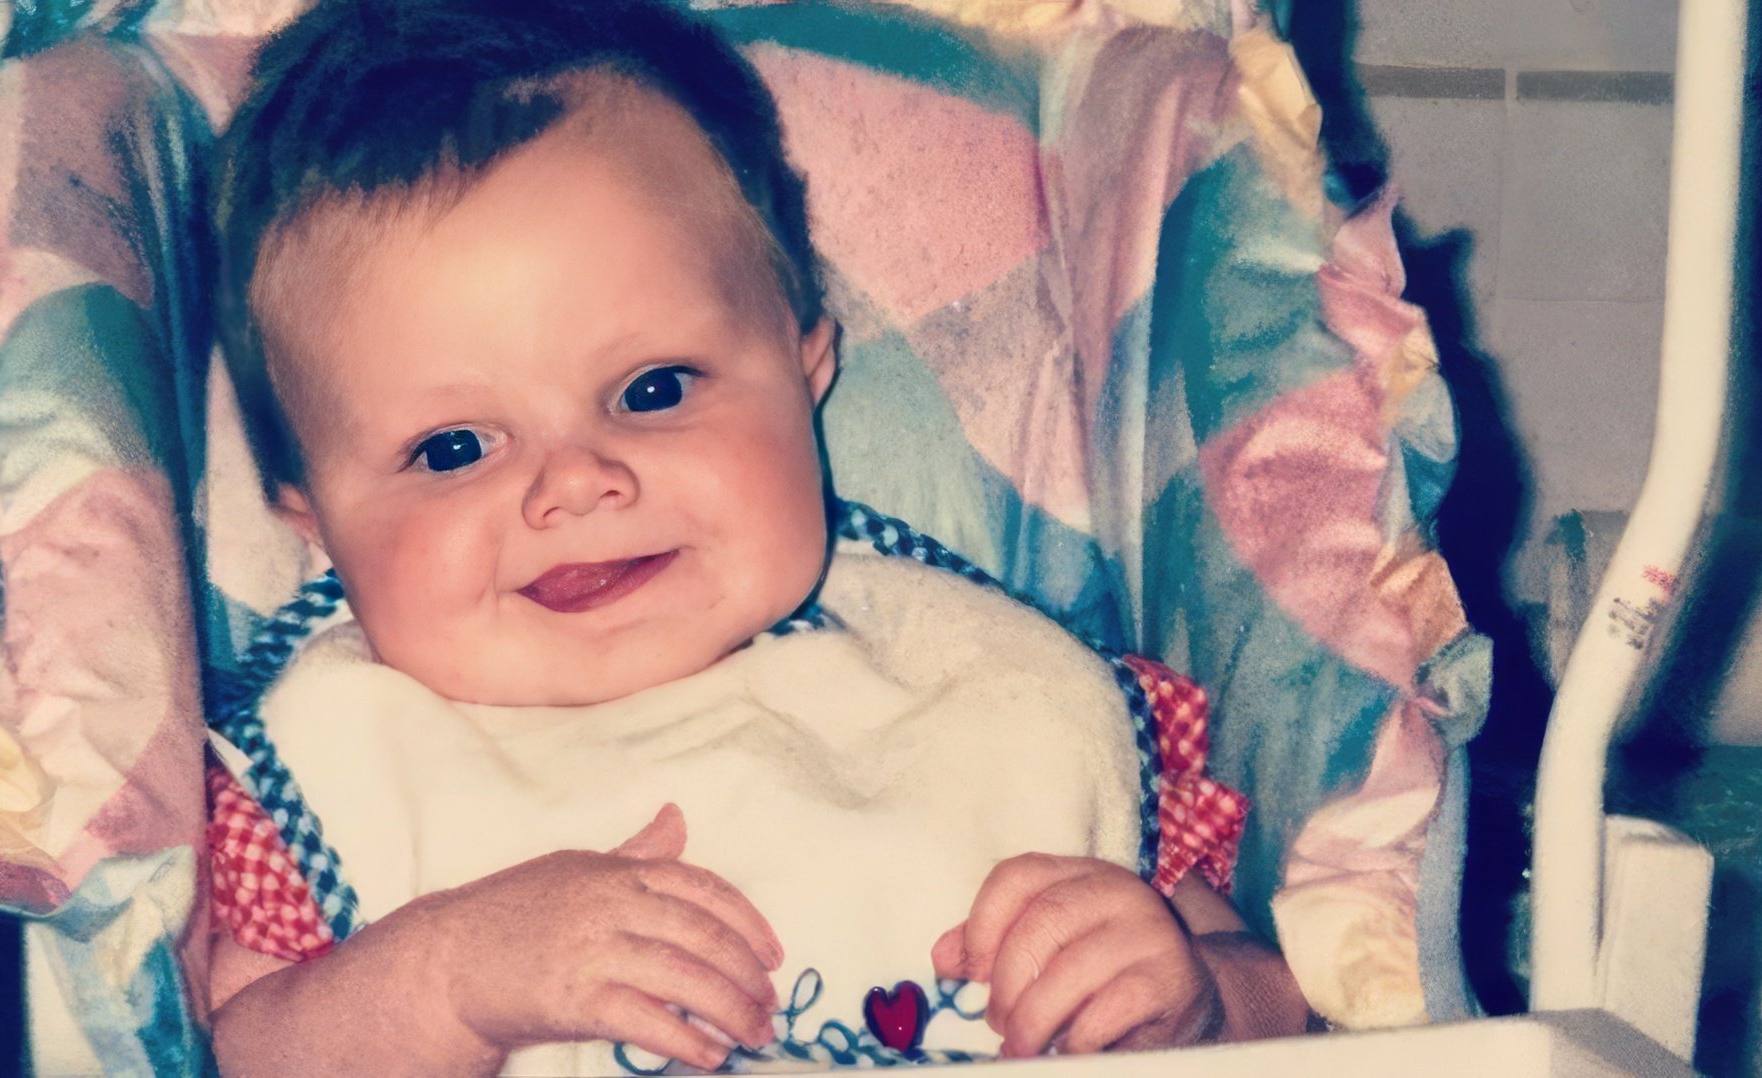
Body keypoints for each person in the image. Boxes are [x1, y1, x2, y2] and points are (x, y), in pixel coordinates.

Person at [206, 1, 1309, 1073]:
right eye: (453, 450)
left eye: (651, 387)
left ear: (807, 370)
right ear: (313, 520)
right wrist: (446, 981)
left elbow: (1287, 1012)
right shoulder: (340, 771)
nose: (577, 482)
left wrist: (1197, 1006)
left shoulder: (998, 697)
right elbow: (238, 1050)